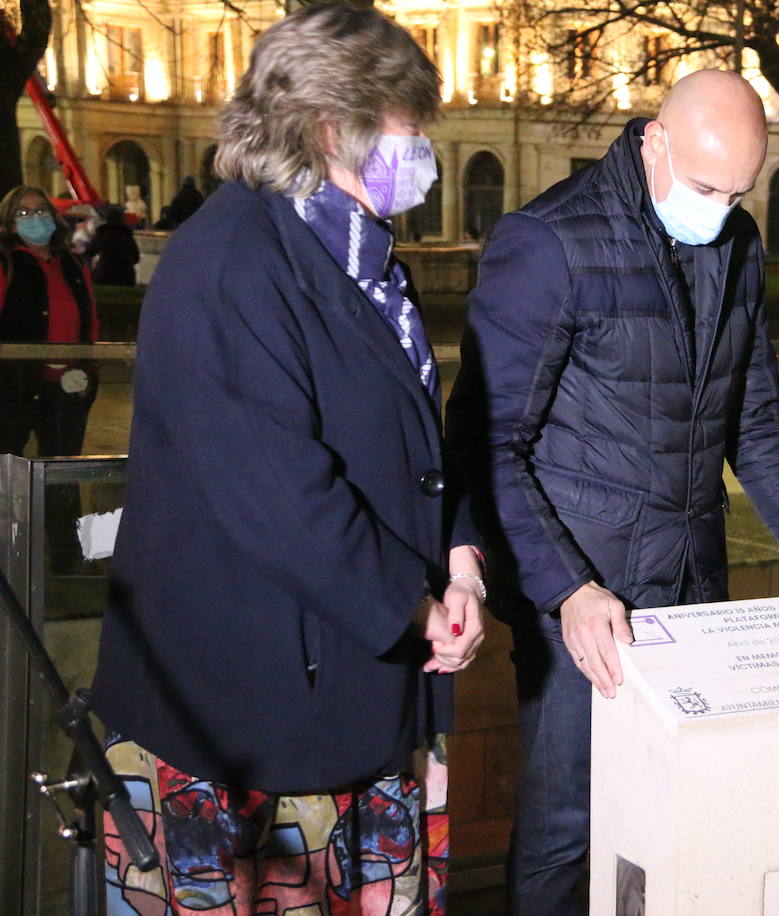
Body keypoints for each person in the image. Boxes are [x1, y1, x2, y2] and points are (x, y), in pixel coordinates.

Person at [450, 69, 779, 915]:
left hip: (691, 583)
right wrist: (566, 589)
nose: (721, 209)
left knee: (680, 809)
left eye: (738, 191)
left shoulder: (735, 239)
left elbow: (754, 416)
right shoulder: (549, 241)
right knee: (565, 826)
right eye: (703, 187)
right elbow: (486, 440)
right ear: (654, 142)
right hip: (579, 591)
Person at [91, 5, 485, 912]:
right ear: (326, 127)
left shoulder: (357, 251)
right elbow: (278, 494)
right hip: (249, 706)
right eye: (405, 125)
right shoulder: (230, 260)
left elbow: (419, 436)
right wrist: (415, 607)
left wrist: (461, 563)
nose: (419, 146)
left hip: (360, 676)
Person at [0, 186, 101, 571]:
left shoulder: (73, 264)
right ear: (9, 223)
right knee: (7, 468)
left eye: (40, 210)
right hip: (14, 386)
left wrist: (90, 368)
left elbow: (88, 317)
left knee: (61, 470)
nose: (35, 219)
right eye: (23, 214)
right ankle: (10, 554)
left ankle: (64, 553)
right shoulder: (8, 263)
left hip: (66, 385)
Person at [87, 204, 140, 285]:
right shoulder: (127, 234)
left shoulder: (102, 233)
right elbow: (136, 258)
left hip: (104, 275)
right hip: (126, 277)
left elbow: (90, 252)